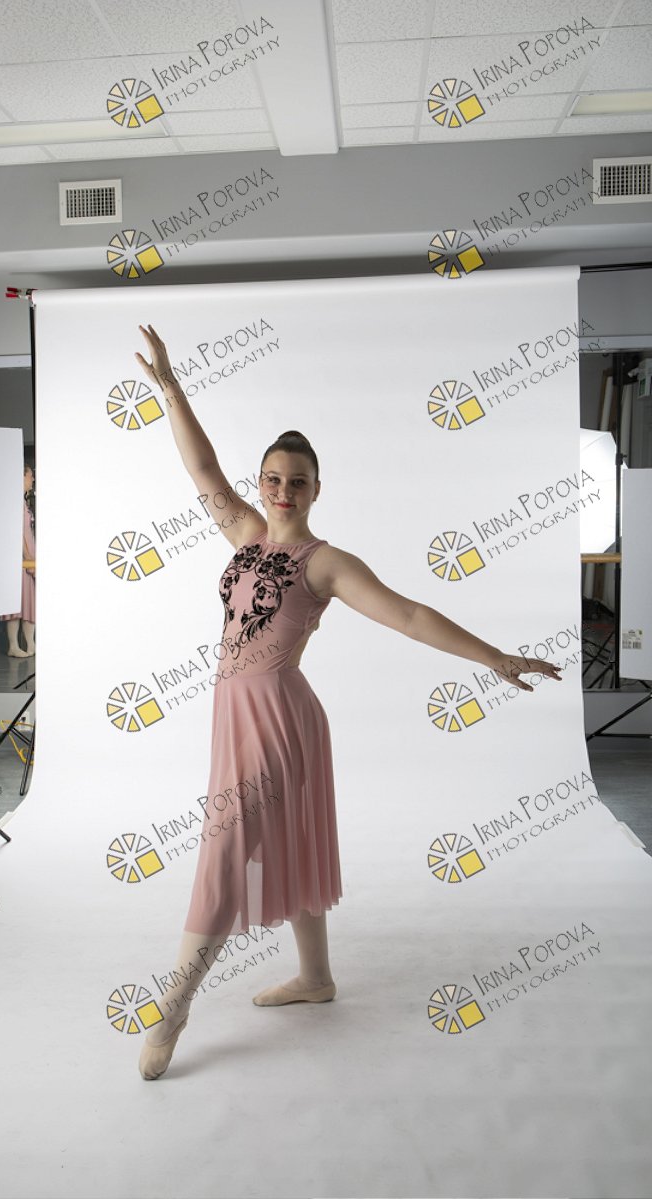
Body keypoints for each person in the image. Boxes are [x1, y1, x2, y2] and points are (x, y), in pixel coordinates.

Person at [133, 324, 562, 1080]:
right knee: (283, 842)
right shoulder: (244, 536)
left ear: (316, 490)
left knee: (226, 853)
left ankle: (174, 1004)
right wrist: (171, 388)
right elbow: (200, 467)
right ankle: (316, 978)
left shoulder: (324, 562)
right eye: (272, 478)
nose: (282, 490)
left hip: (279, 720)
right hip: (234, 718)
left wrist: (494, 657)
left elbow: (410, 614)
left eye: (297, 481)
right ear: (260, 482)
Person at [1, 463, 36, 657]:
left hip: (28, 557)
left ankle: (31, 644)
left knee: (30, 602)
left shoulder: (22, 501)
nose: (32, 479)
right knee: (15, 602)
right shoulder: (13, 500)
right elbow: (17, 530)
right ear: (21, 477)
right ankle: (13, 646)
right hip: (20, 559)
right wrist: (27, 555)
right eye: (30, 476)